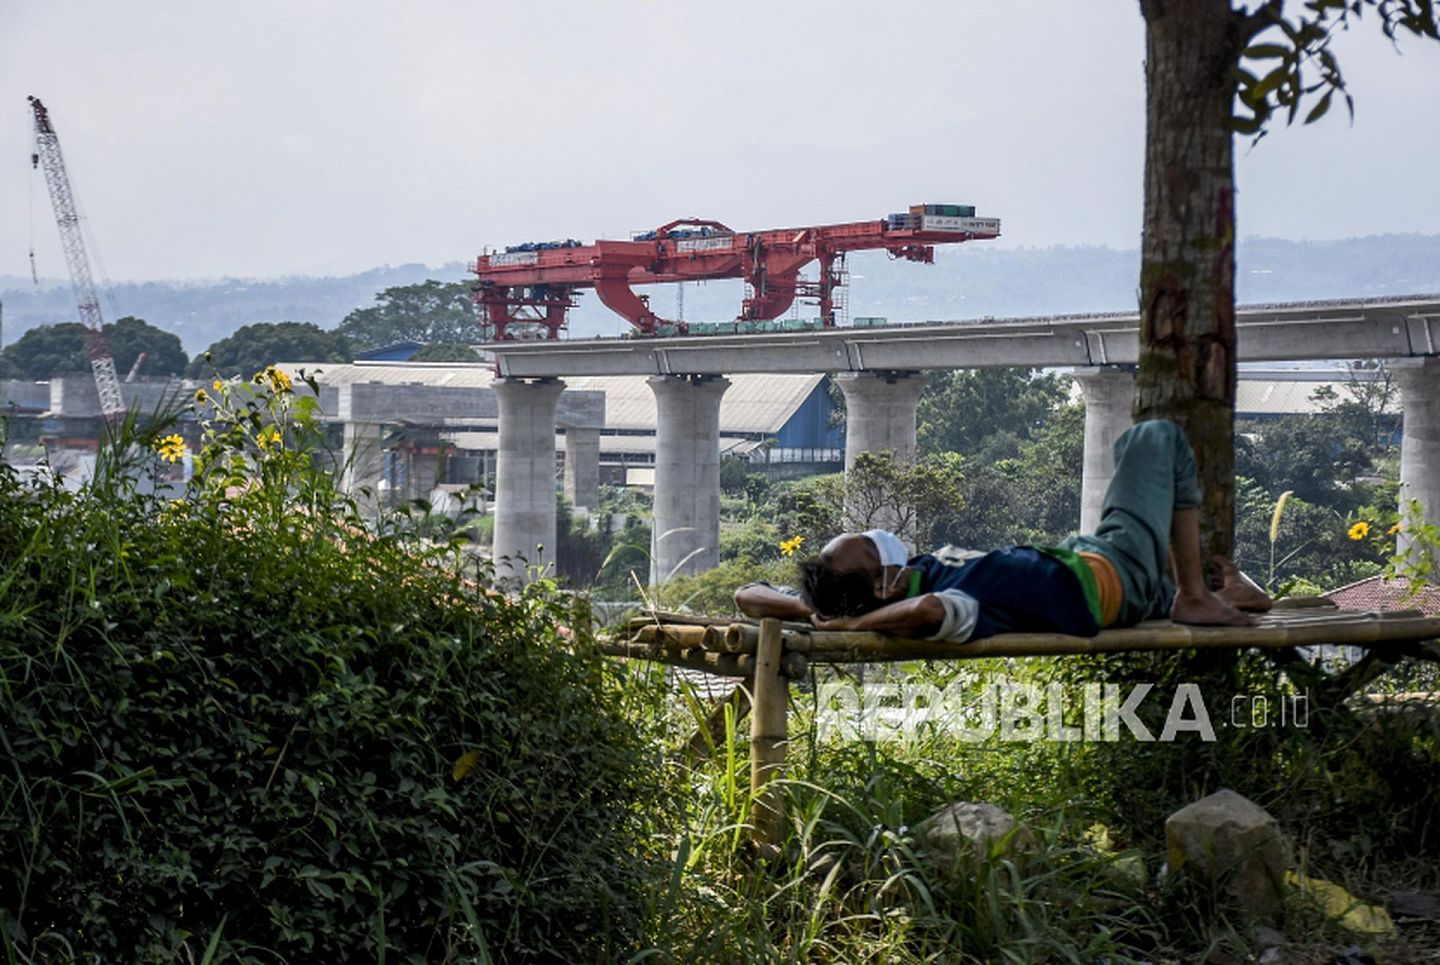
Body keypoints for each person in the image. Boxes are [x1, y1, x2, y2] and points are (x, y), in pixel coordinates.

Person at [734, 419, 1272, 642]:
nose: (878, 535)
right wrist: (853, 626)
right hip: (1112, 575)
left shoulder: (877, 590)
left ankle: (1216, 588)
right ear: (883, 583)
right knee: (1154, 439)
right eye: (874, 545)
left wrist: (815, 610)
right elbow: (930, 613)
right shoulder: (945, 600)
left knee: (1243, 592)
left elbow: (747, 594)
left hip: (1082, 560)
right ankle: (1196, 593)